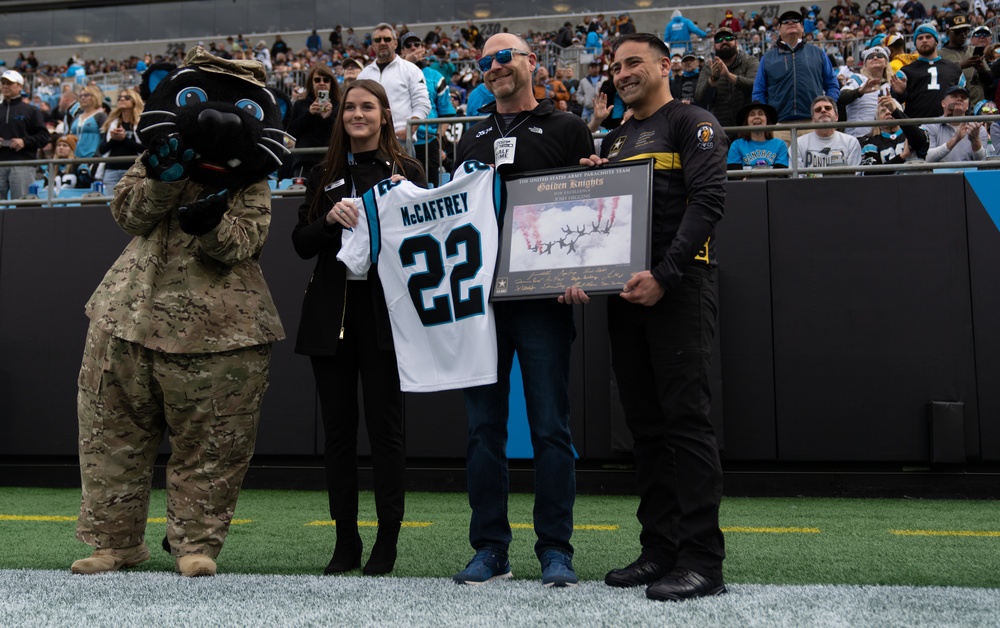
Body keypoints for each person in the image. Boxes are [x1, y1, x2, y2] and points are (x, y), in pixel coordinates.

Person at [576, 32, 728, 602]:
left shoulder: (694, 121)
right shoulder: (614, 139)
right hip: (626, 295)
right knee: (645, 428)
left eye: (634, 63)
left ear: (667, 65)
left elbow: (708, 203)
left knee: (686, 423)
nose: (622, 73)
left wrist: (664, 274)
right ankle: (659, 550)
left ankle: (702, 560)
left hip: (679, 289)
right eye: (615, 67)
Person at [450, 32, 594, 588]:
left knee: (549, 428)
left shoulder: (566, 127)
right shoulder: (473, 133)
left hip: (541, 300)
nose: (495, 67)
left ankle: (556, 548)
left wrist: (581, 270)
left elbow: (588, 203)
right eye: (486, 61)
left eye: (505, 56)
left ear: (533, 63)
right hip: (482, 303)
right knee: (483, 429)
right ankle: (490, 548)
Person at [291, 79, 425, 577]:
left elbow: (423, 240)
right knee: (340, 436)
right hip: (332, 319)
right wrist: (328, 220)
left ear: (385, 115)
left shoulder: (408, 171)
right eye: (350, 107)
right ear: (340, 116)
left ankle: (387, 542)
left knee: (388, 433)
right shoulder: (324, 172)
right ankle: (345, 539)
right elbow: (301, 242)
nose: (358, 114)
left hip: (388, 318)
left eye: (368, 106)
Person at [751, 11, 840, 128]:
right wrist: (767, 116)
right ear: (779, 29)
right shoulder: (767, 58)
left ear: (802, 28)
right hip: (779, 125)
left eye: (795, 21)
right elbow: (758, 91)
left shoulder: (818, 53)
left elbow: (832, 84)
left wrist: (826, 107)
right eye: (785, 21)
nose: (791, 23)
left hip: (813, 123)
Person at [357, 24, 431, 142]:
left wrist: (410, 130)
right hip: (369, 141)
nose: (382, 43)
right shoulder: (364, 75)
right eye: (377, 40)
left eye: (387, 39)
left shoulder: (411, 70)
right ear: (372, 46)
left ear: (395, 43)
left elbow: (423, 104)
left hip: (399, 141)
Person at [400, 31, 457, 188]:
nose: (413, 48)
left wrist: (438, 137)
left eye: (417, 44)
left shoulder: (436, 77)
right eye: (408, 45)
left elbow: (447, 112)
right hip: (399, 143)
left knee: (429, 188)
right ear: (402, 51)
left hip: (428, 142)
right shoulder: (396, 75)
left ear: (423, 49)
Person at [893, 25, 965, 119]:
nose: (924, 40)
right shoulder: (905, 72)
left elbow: (964, 98)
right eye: (920, 38)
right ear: (915, 43)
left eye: (928, 37)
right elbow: (895, 103)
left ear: (936, 41)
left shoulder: (954, 69)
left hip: (947, 125)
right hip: (917, 127)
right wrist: (900, 93)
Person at [694, 27, 759, 127]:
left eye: (728, 38)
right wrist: (712, 80)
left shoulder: (749, 61)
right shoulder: (708, 67)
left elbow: (756, 86)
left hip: (746, 126)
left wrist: (728, 76)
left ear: (736, 43)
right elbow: (699, 97)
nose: (724, 41)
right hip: (720, 129)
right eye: (719, 40)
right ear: (714, 46)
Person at [0, 69, 49, 200]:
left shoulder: (31, 111)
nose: (5, 86)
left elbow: (44, 137)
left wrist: (24, 141)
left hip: (23, 163)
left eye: (9, 83)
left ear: (20, 87)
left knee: (22, 205)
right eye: (3, 82)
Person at [286, 64, 340, 178]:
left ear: (331, 83)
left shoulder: (338, 105)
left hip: (330, 161)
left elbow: (341, 133)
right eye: (317, 80)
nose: (322, 83)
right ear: (311, 83)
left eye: (326, 80)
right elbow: (291, 131)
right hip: (304, 160)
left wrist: (328, 118)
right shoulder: (300, 104)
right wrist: (309, 114)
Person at [857, 94, 929, 168]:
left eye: (891, 109)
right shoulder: (869, 141)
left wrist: (895, 112)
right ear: (877, 118)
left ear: (900, 113)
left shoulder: (915, 131)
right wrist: (901, 157)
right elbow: (870, 173)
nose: (888, 112)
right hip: (886, 180)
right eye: (883, 111)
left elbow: (920, 140)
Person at [922, 85, 990, 162]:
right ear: (943, 103)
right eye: (954, 96)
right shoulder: (930, 126)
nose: (960, 99)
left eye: (963, 97)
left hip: (969, 173)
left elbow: (984, 162)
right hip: (940, 173)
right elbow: (926, 158)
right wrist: (955, 139)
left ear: (967, 106)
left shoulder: (978, 128)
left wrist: (975, 141)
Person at [796, 95, 863, 170]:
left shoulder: (851, 142)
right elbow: (796, 178)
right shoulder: (799, 143)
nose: (823, 110)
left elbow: (854, 177)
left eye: (828, 108)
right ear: (813, 120)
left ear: (836, 117)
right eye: (818, 109)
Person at [839, 46, 894, 137]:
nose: (875, 58)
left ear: (886, 63)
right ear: (865, 64)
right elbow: (841, 97)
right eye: (870, 57)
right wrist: (859, 91)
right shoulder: (858, 79)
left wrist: (902, 93)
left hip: (885, 139)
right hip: (858, 137)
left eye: (880, 56)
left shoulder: (892, 83)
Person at [98, 88, 144, 191]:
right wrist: (113, 139)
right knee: (111, 204)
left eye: (126, 98)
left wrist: (124, 139)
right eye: (119, 98)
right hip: (111, 170)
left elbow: (145, 149)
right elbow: (102, 149)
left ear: (134, 101)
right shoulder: (111, 123)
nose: (122, 99)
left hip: (134, 171)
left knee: (132, 205)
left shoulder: (141, 123)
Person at [727, 101, 789, 170]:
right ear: (746, 121)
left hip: (771, 181)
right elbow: (734, 176)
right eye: (752, 114)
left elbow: (781, 175)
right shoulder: (737, 145)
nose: (757, 117)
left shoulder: (780, 145)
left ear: (767, 120)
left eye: (761, 114)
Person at [69, 85, 108, 159]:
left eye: (86, 95)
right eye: (81, 96)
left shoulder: (100, 116)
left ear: (95, 96)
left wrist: (97, 154)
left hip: (93, 158)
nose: (82, 98)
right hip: (75, 158)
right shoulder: (76, 117)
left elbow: (105, 138)